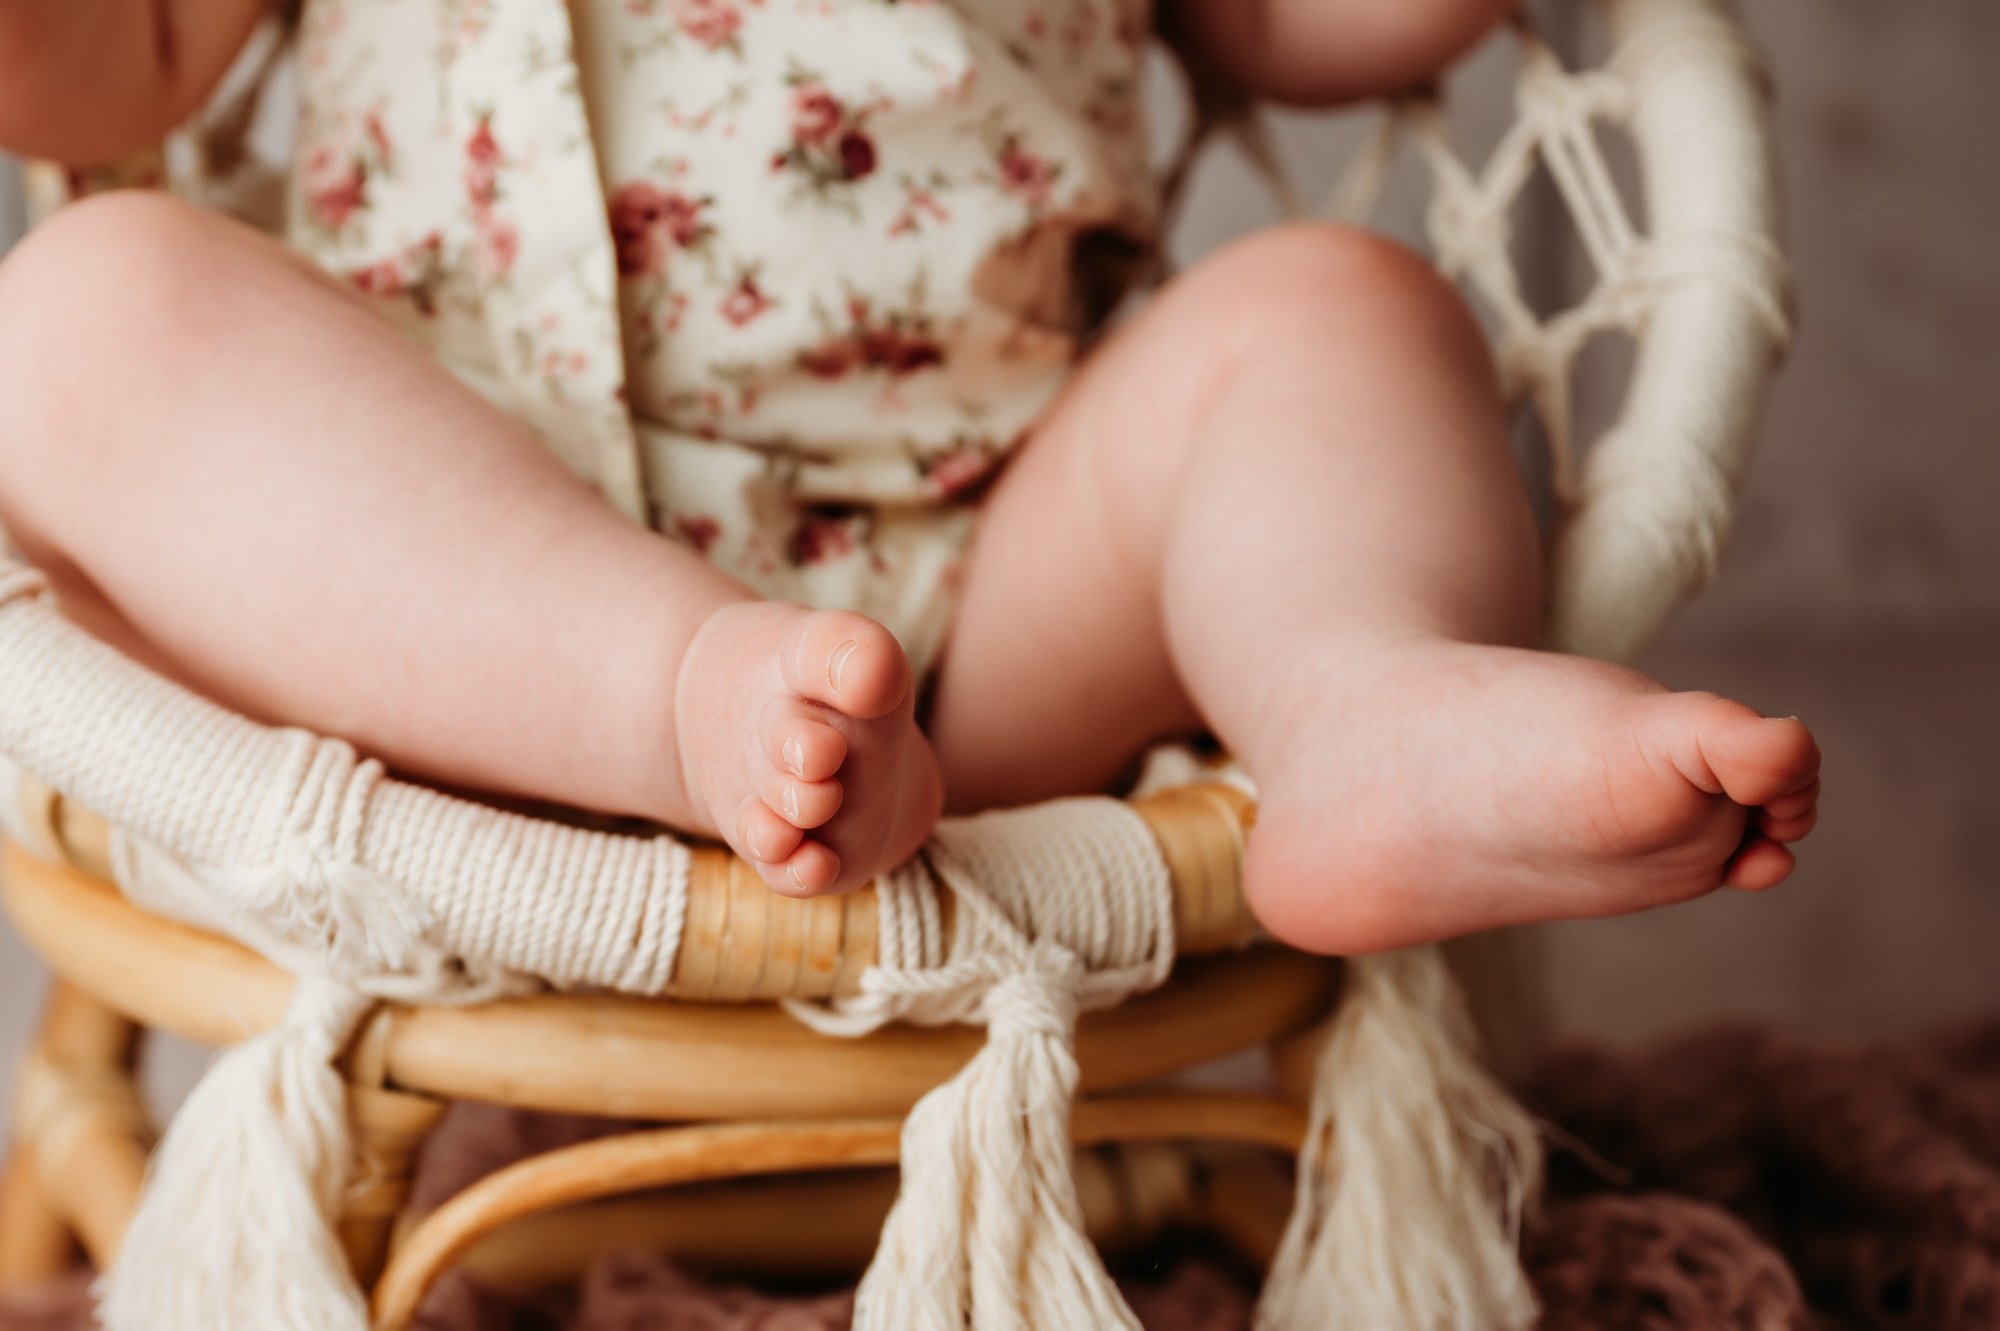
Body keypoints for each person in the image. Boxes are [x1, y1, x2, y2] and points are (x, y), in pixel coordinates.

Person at [0, 0, 1817, 955]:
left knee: (1333, 312)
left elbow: (1306, 16)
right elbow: (119, 55)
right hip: (405, 577)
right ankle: (675, 691)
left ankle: (1362, 703)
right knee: (77, 317)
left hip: (988, 602)